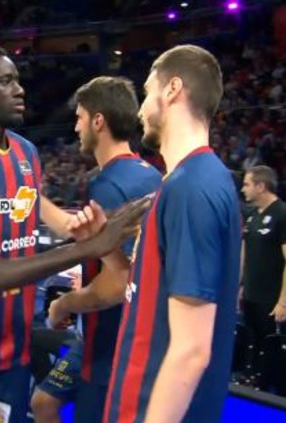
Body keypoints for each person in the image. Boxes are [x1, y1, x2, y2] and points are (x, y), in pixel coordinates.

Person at [0, 45, 149, 423]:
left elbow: (21, 235)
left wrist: (89, 236)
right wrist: (88, 248)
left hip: (13, 351)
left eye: (18, 80)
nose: (19, 89)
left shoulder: (26, 153)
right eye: (5, 81)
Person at [104, 45, 242, 423]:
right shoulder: (197, 180)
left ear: (172, 89)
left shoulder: (190, 188)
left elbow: (191, 351)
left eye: (147, 92)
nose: (140, 109)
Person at [31, 76, 162, 423]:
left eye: (80, 118)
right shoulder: (147, 173)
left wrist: (64, 304)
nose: (76, 127)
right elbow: (87, 235)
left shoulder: (107, 185)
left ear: (98, 121)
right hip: (125, 336)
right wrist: (32, 197)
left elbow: (119, 284)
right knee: (44, 402)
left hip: (111, 344)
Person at [240, 165, 286, 354]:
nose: (242, 189)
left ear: (260, 186)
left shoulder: (285, 215)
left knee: (271, 351)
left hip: (272, 300)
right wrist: (240, 285)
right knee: (251, 347)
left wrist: (284, 301)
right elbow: (245, 253)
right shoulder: (251, 216)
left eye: (247, 184)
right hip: (250, 296)